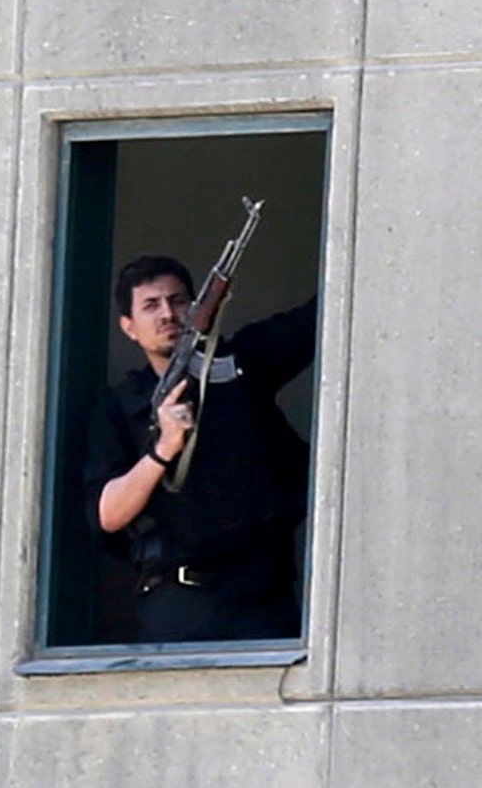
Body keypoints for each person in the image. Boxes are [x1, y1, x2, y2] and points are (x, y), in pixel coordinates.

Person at [84, 254, 317, 643]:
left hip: (264, 599)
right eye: (150, 305)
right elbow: (106, 513)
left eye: (178, 301)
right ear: (129, 327)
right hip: (180, 603)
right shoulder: (119, 407)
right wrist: (162, 450)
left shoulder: (244, 364)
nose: (167, 315)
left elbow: (321, 319)